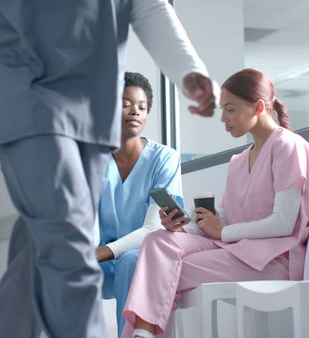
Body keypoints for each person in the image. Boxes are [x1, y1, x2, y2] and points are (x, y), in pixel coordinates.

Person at [0, 0, 217, 337]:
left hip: (92, 108)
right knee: (70, 248)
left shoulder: (160, 157)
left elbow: (149, 8)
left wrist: (189, 70)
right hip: (24, 92)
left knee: (38, 253)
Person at [121, 68, 309, 338]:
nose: (223, 118)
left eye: (230, 109)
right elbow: (226, 216)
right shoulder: (238, 160)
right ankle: (144, 334)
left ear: (258, 107)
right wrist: (185, 226)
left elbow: (284, 223)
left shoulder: (288, 146)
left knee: (167, 271)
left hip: (271, 258)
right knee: (158, 240)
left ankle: (142, 334)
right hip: (235, 247)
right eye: (222, 110)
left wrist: (222, 232)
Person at [96, 71, 183, 337]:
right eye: (125, 104)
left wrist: (99, 253)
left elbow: (154, 227)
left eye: (142, 107)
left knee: (131, 262)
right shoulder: (92, 159)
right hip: (97, 254)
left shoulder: (164, 160)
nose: (135, 112)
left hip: (142, 252)